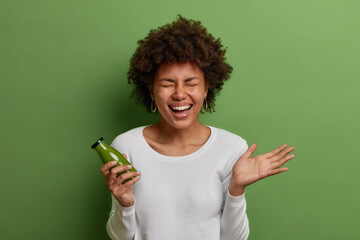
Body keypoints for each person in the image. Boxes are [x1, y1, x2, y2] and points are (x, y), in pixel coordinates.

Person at [100, 15, 295, 240]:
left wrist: (236, 190)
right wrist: (125, 203)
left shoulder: (231, 148)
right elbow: (120, 238)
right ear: (152, 91)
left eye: (191, 83)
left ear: (206, 89)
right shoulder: (127, 146)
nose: (180, 94)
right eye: (167, 83)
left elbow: (234, 239)